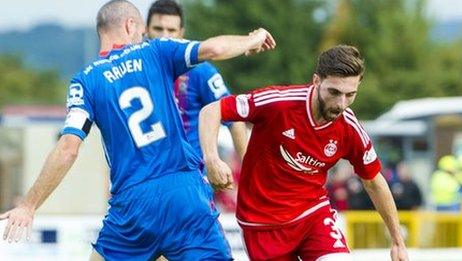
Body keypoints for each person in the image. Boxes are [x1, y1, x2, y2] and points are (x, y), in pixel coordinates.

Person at [0, 1, 276, 260]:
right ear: (131, 26)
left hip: (133, 206)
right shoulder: (155, 51)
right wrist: (251, 39)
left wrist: (29, 204)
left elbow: (68, 148)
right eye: (144, 32)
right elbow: (214, 50)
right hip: (185, 192)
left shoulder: (84, 81)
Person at [199, 45, 408, 261]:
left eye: (350, 95)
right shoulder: (279, 103)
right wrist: (212, 158)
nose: (341, 104)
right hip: (261, 223)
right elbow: (212, 110)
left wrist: (397, 241)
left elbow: (374, 182)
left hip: (313, 216)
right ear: (316, 81)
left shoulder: (349, 127)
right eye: (334, 92)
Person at [146, 0, 248, 168]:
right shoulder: (134, 70)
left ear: (181, 33)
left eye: (171, 30)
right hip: (146, 178)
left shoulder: (200, 71)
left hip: (189, 177)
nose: (164, 36)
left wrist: (247, 168)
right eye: (158, 29)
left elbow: (234, 117)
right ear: (146, 30)